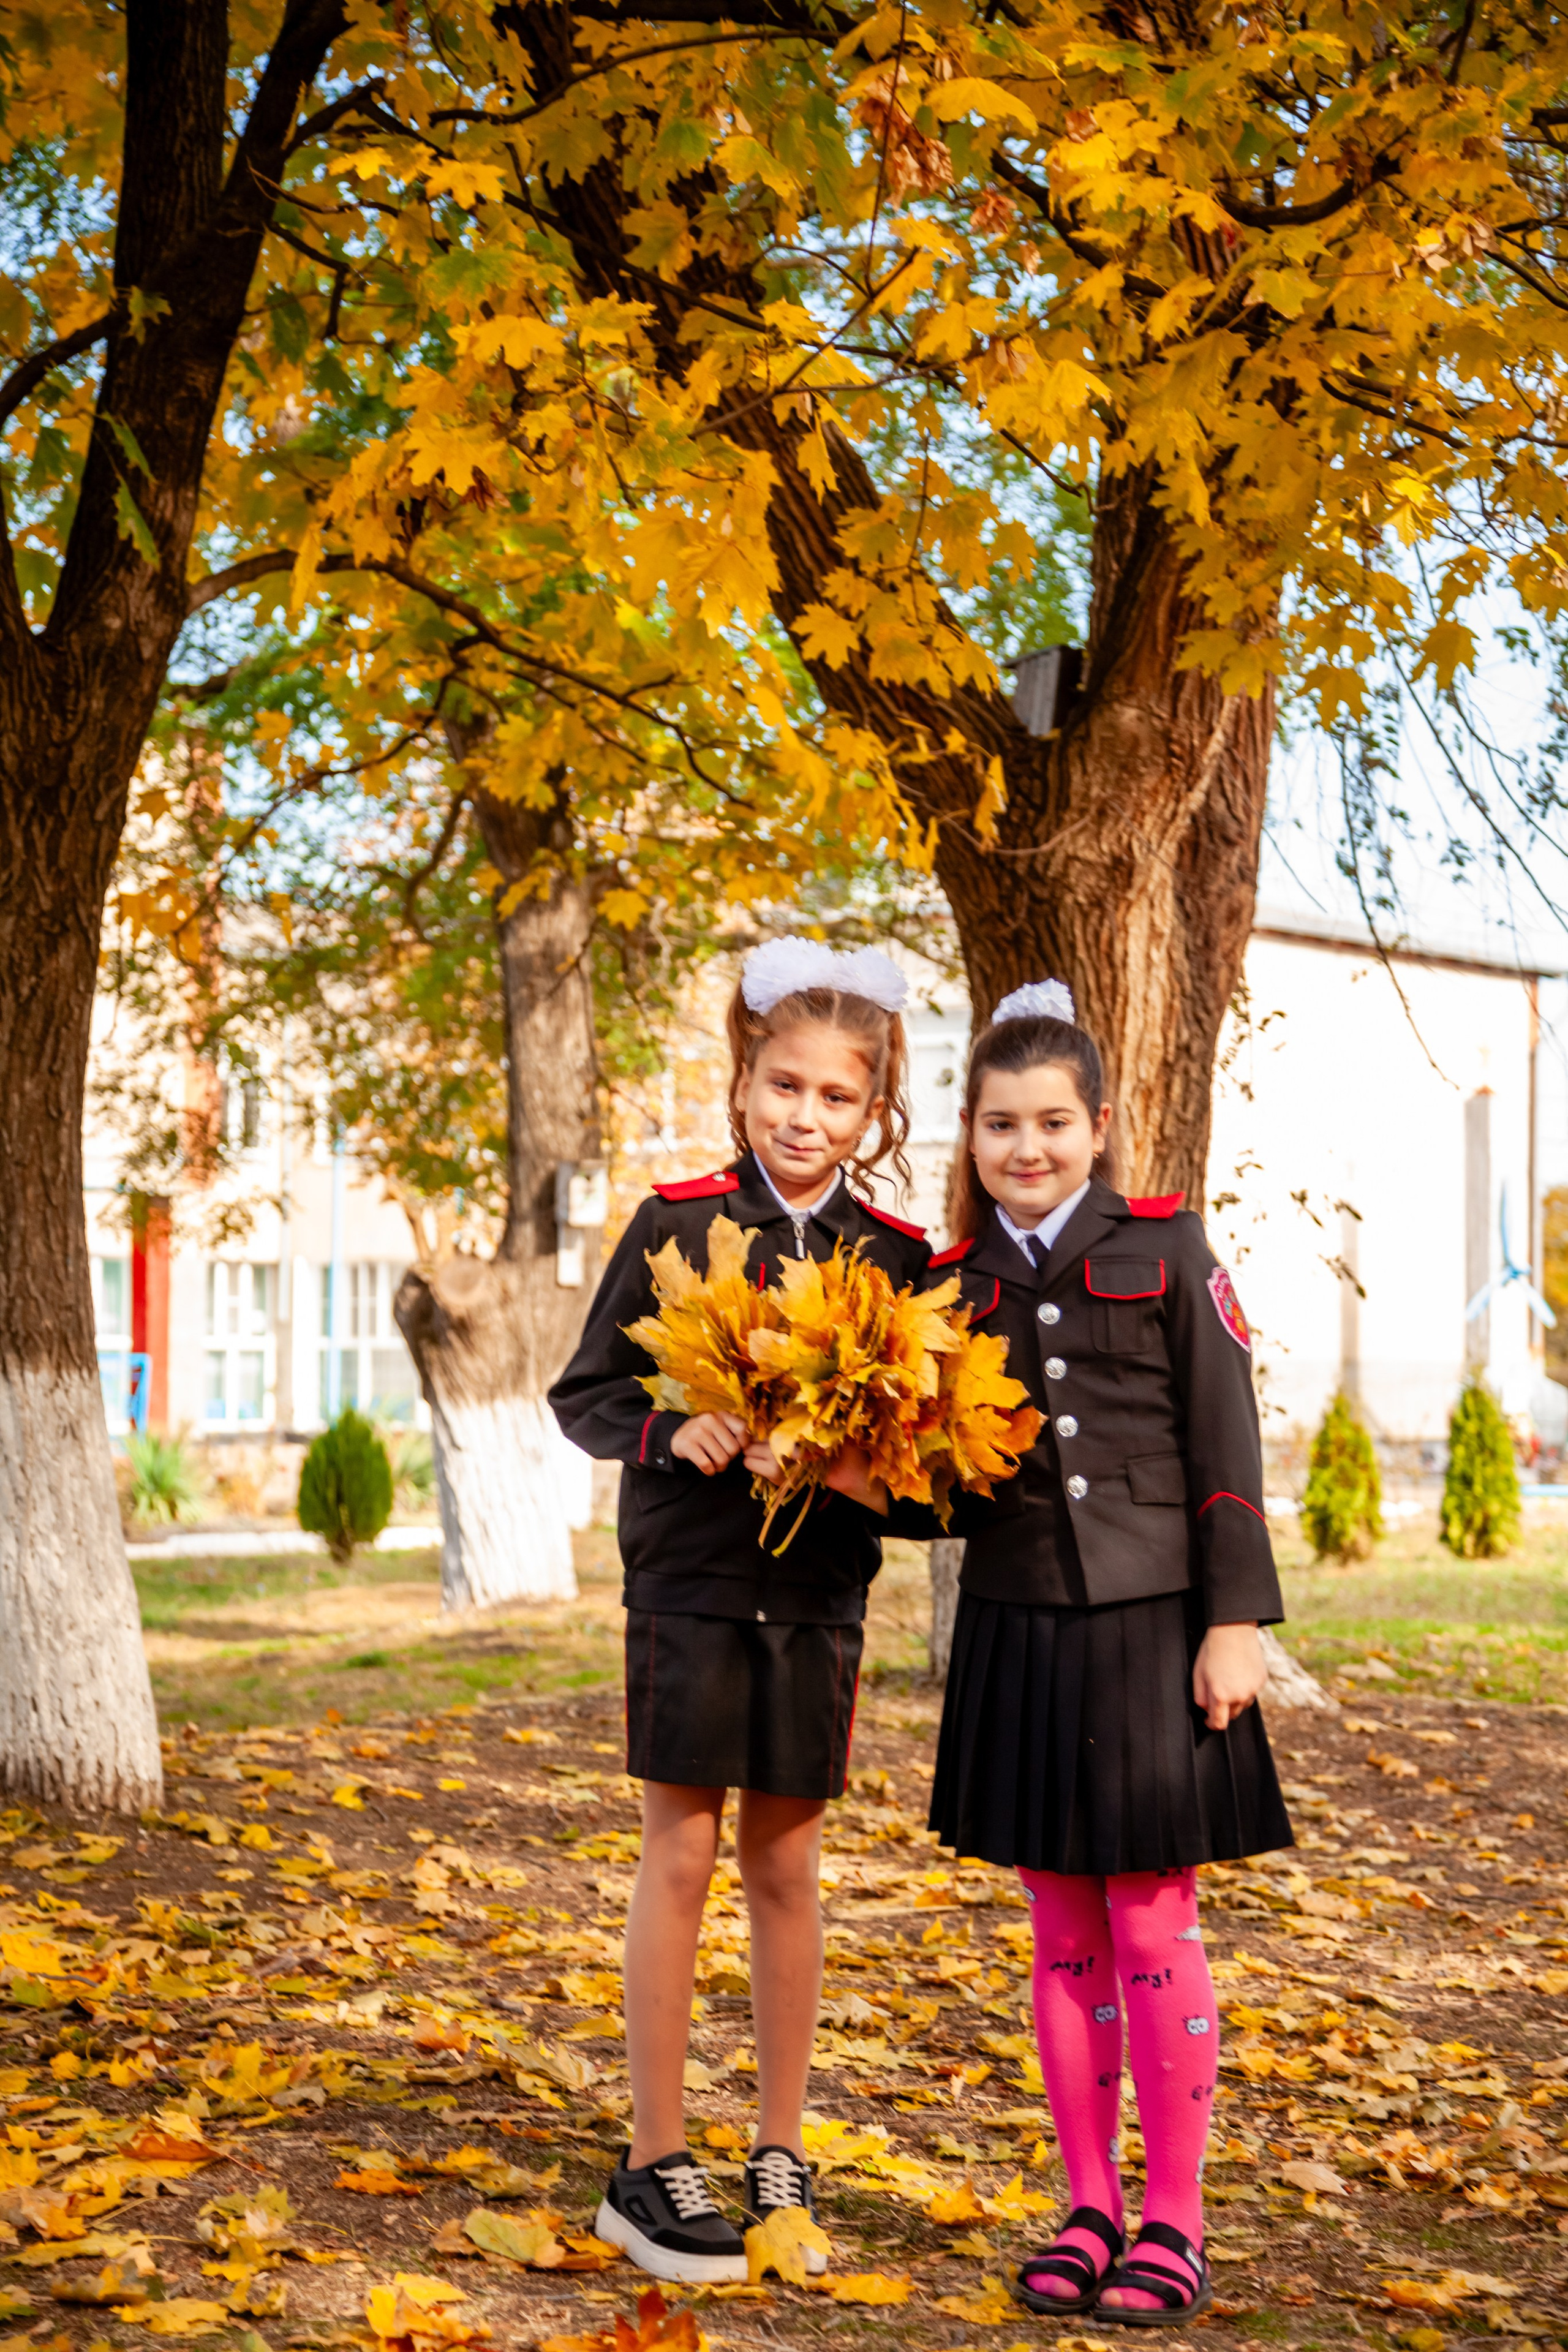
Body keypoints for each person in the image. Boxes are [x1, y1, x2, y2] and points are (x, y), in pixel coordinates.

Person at [811, 979, 1292, 2326]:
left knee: (1150, 1916)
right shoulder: (945, 1287)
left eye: (1052, 1124)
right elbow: (948, 1490)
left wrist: (1234, 1622)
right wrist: (843, 1471)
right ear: (966, 1135)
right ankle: (1088, 2206)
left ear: (1096, 1127)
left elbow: (1224, 1448)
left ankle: (1175, 2221)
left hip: (1155, 1632)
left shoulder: (1164, 1249)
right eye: (999, 1127)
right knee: (1057, 1929)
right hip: (1016, 1628)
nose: (1026, 1150)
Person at [548, 937, 929, 2285]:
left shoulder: (899, 1259)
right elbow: (584, 1394)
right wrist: (680, 1431)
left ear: (873, 1110)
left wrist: (849, 1465)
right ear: (743, 1079)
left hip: (818, 1596)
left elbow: (929, 1474)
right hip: (694, 1586)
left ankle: (778, 2147)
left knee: (784, 1866)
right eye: (783, 1086)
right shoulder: (674, 1219)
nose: (805, 1117)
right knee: (683, 1852)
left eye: (836, 1098)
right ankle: (651, 2163)